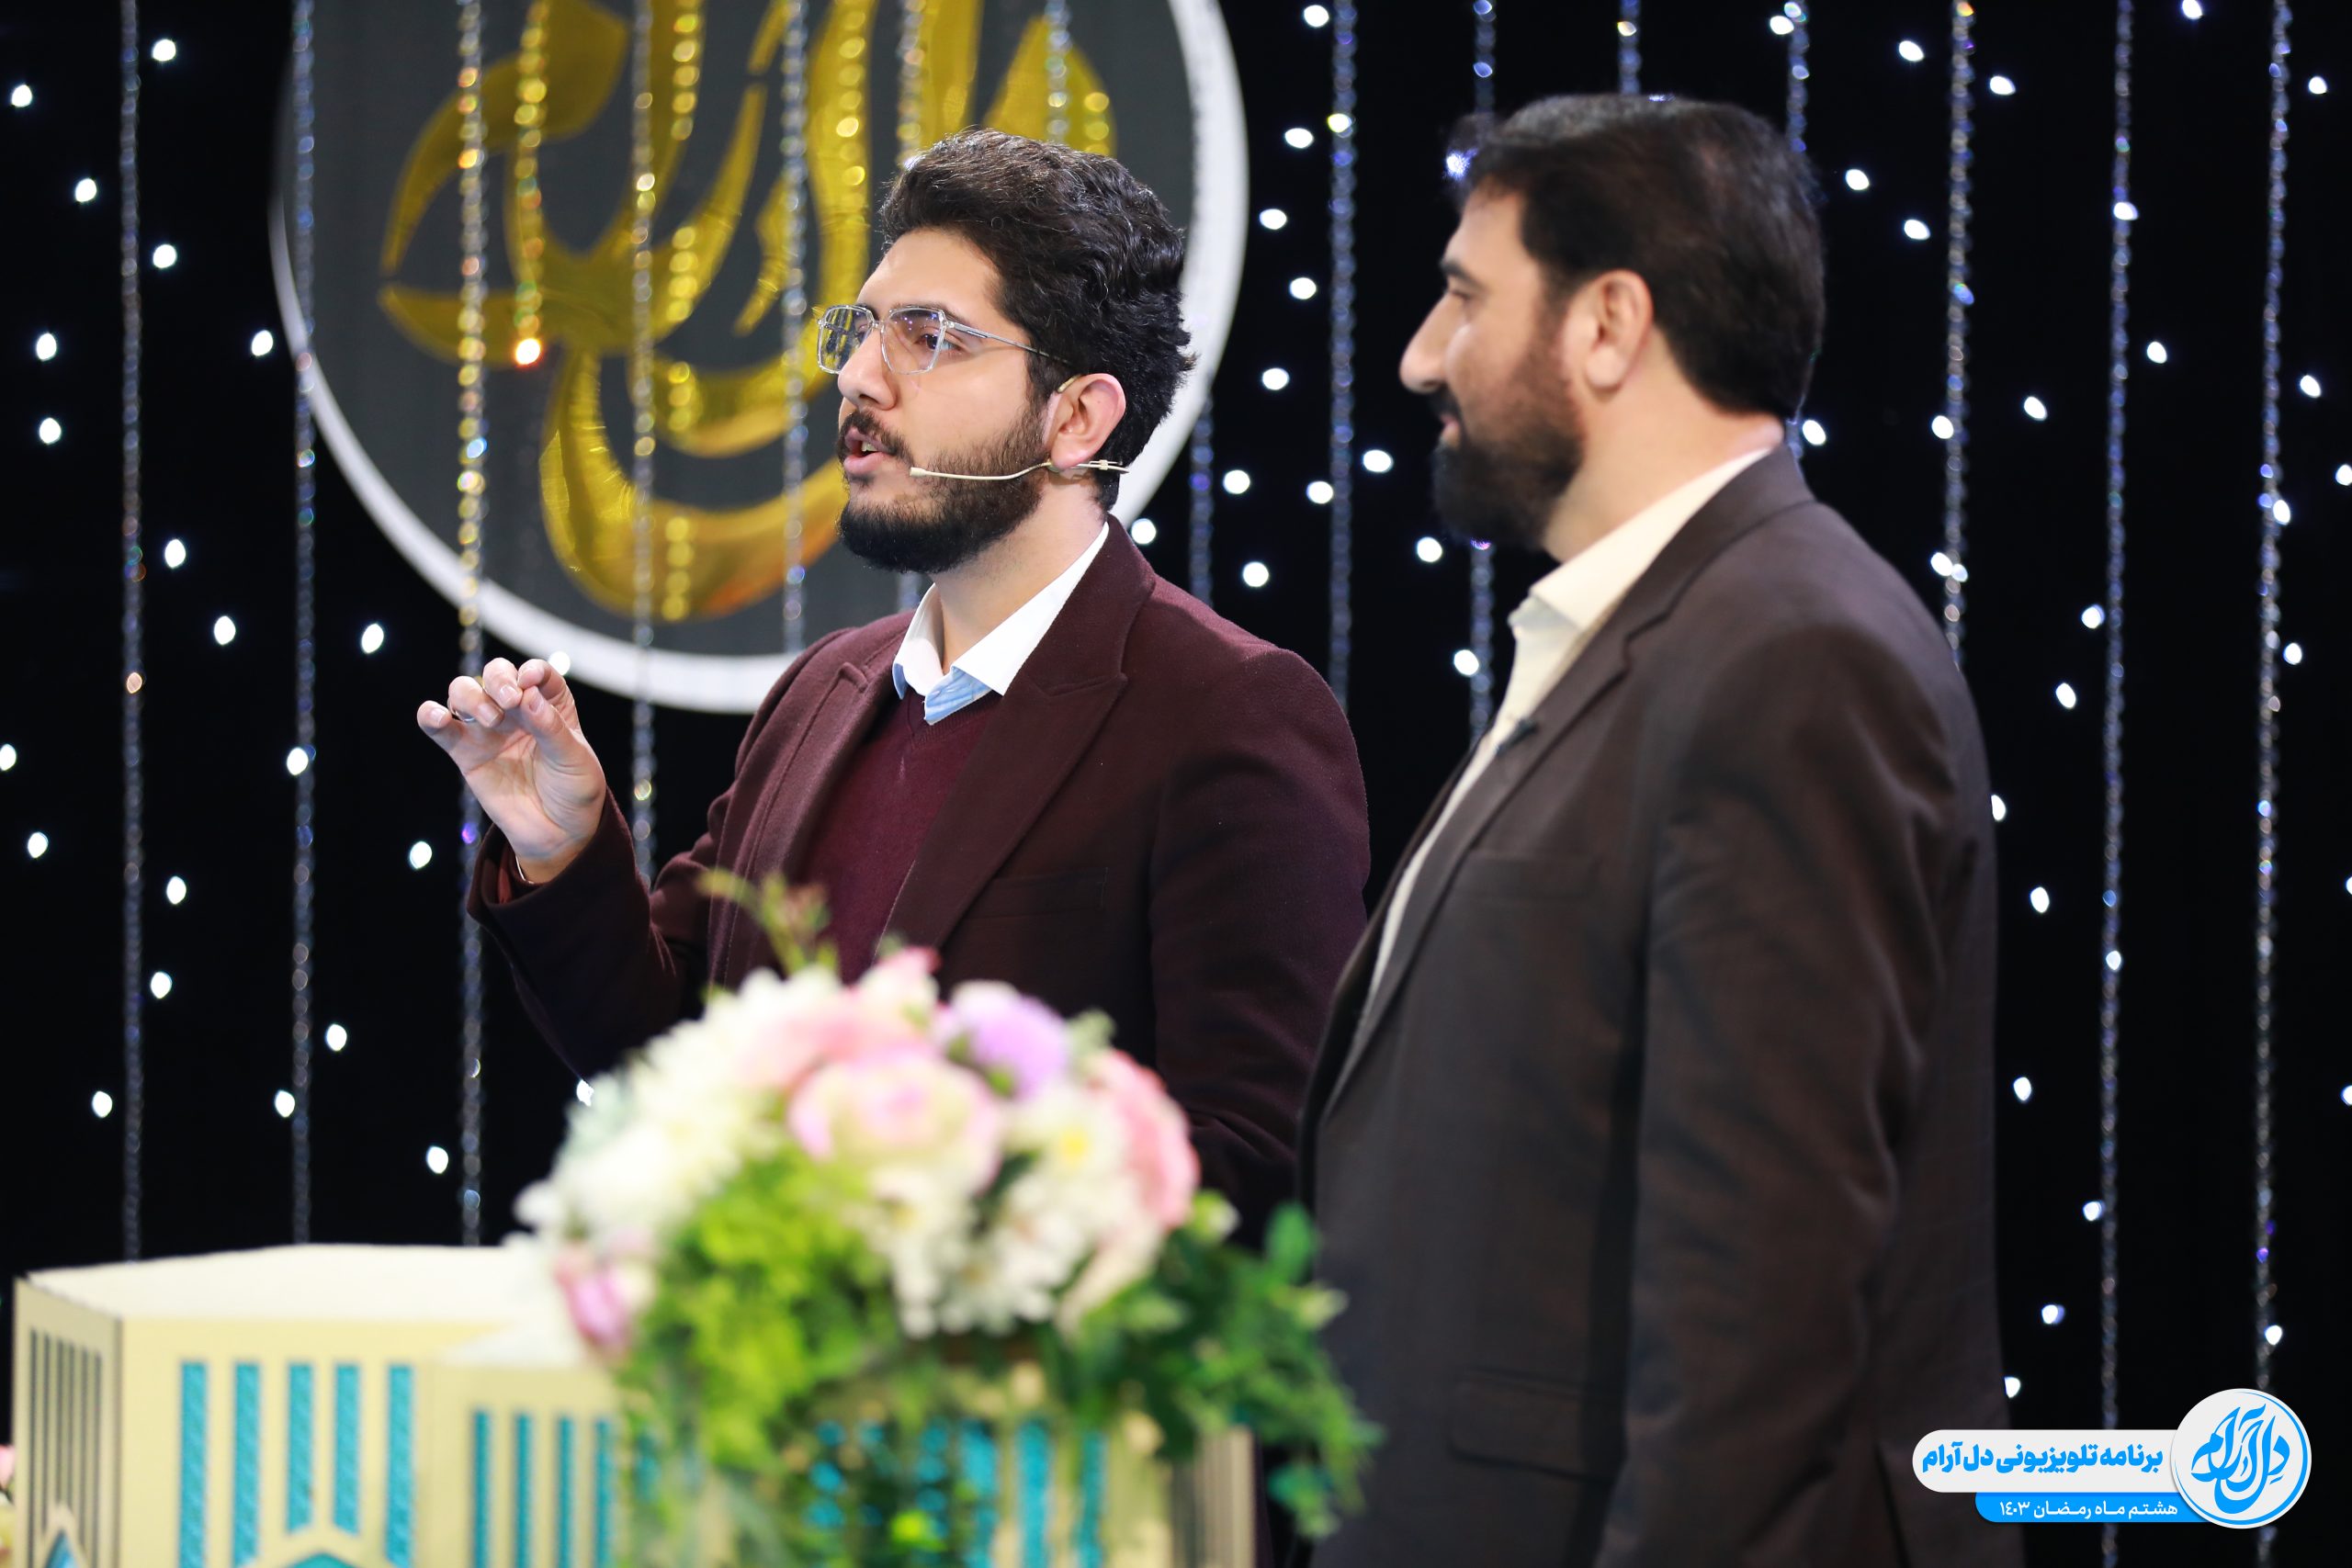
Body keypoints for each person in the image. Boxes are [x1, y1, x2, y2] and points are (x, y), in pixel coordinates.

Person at [418, 129, 1370, 1245]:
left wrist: (929, 1231)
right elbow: (674, 1069)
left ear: (1077, 419)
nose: (860, 377)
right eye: (864, 330)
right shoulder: (823, 690)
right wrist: (564, 850)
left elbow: (1260, 1164)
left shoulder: (1224, 712)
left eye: (928, 337)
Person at [1297, 96, 2018, 1566]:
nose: (1422, 355)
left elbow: (1763, 1315)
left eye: (1465, 295)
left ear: (1609, 325)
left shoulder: (1794, 656)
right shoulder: (1681, 629)